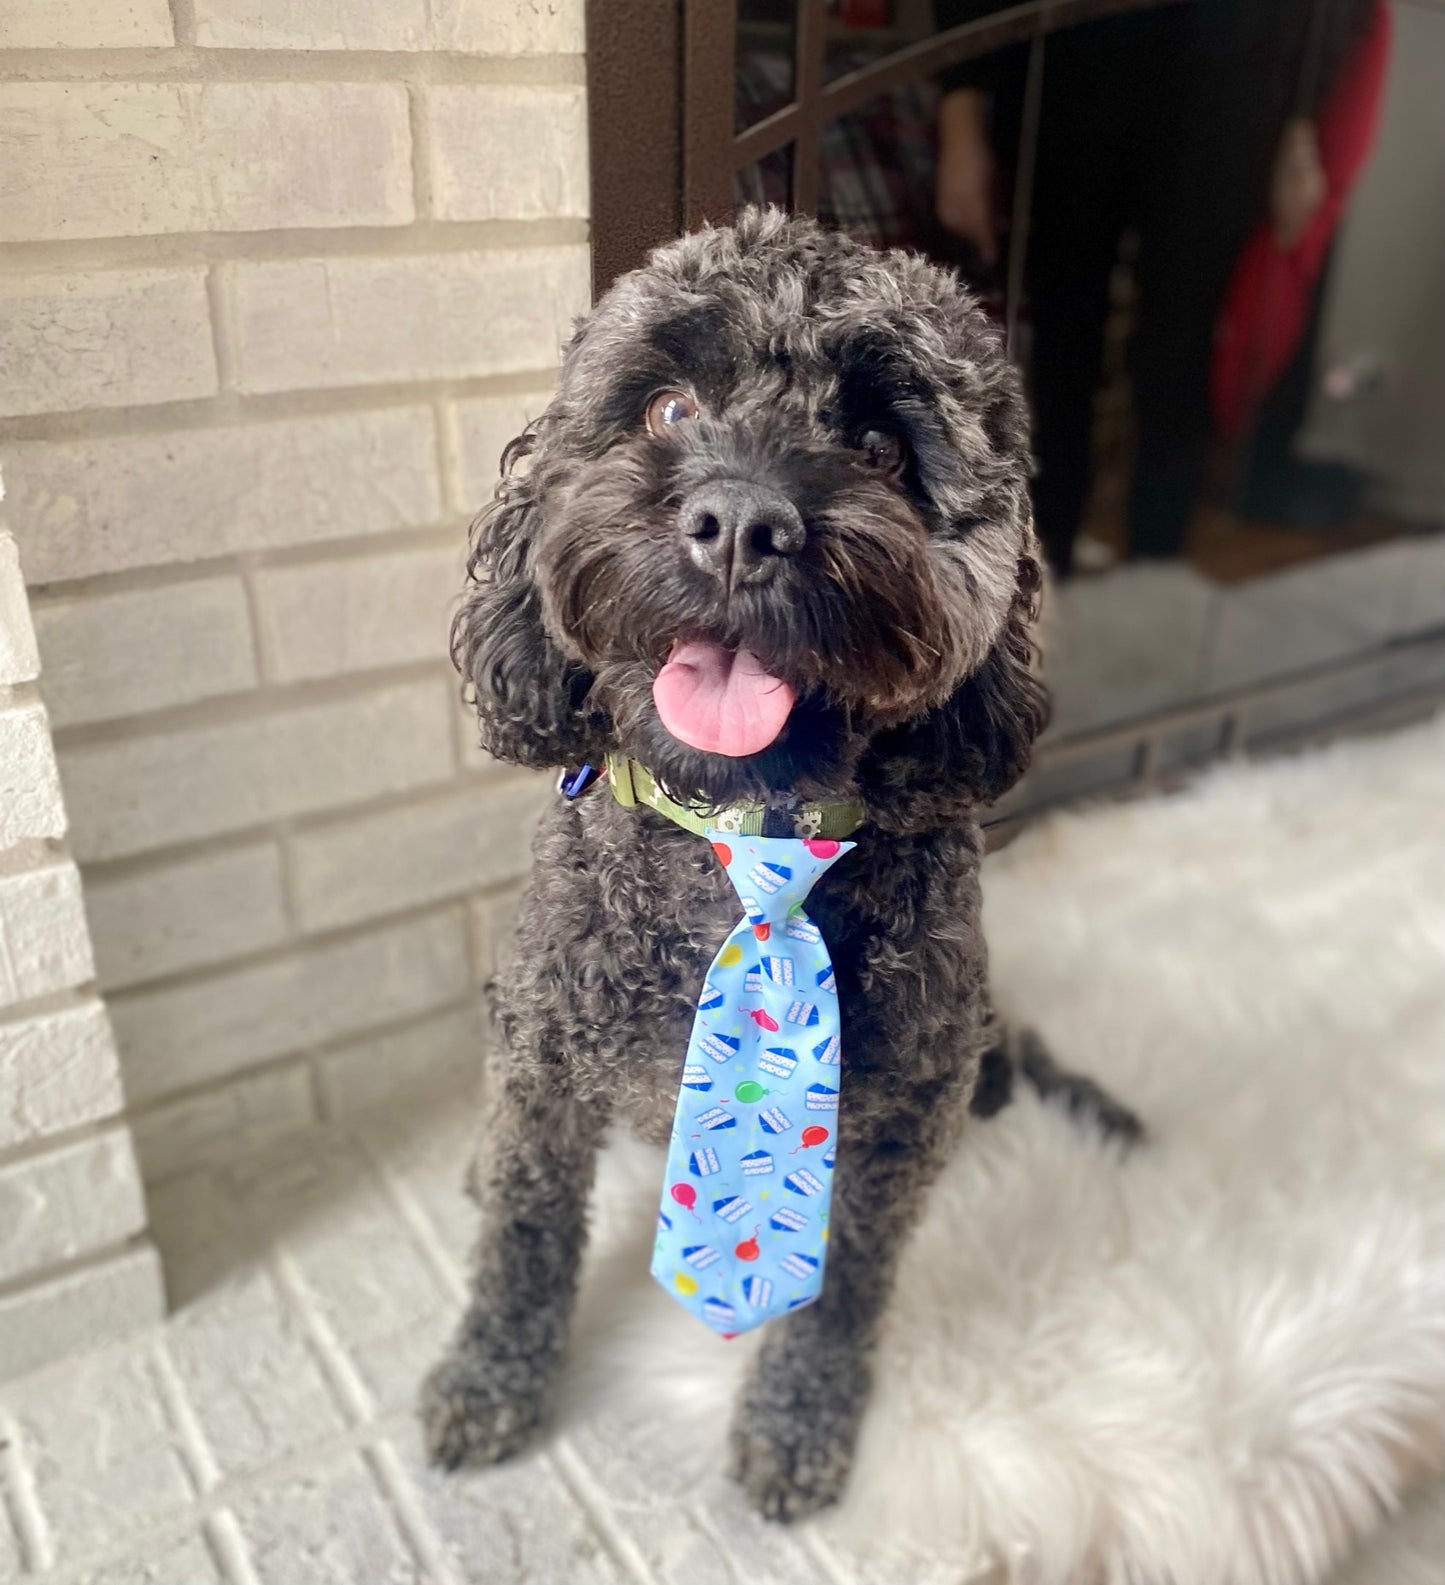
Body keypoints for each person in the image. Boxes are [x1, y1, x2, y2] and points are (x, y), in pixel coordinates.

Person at [933, 0, 1381, 573]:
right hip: (1067, 73)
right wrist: (961, 118)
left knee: (1180, 360)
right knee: (1058, 355)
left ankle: (1156, 583)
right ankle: (1039, 580)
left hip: (1226, 86)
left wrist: (1303, 122)